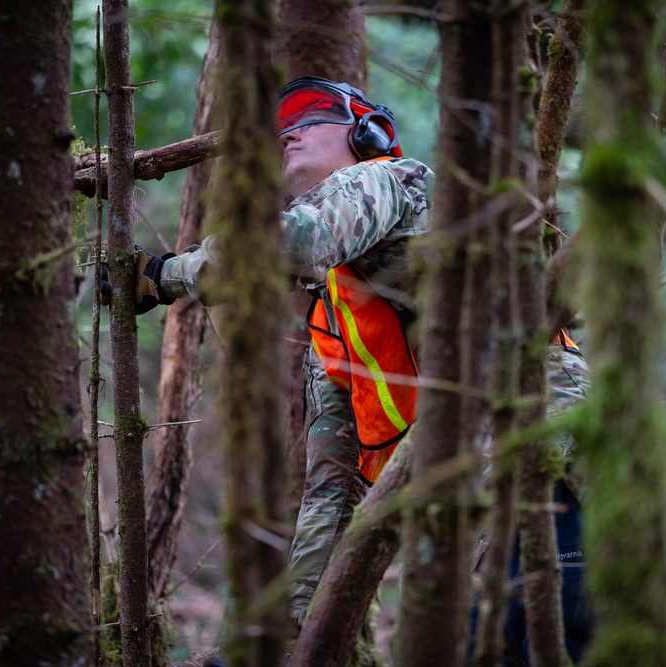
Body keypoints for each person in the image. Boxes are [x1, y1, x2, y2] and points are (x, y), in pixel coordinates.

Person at [119, 76, 434, 640]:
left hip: (541, 442)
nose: (290, 131)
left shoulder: (392, 179)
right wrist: (289, 634)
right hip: (460, 492)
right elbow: (334, 490)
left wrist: (165, 275)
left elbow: (293, 241)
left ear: (370, 133)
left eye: (311, 114)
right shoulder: (337, 316)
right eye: (280, 126)